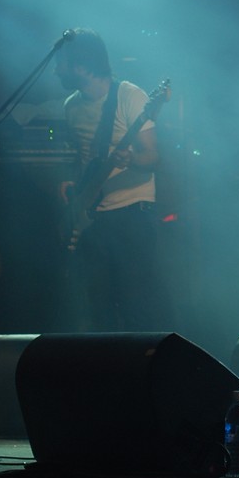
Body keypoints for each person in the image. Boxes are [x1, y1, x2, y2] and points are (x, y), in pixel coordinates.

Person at [55, 28, 166, 332]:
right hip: (92, 219)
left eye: (61, 63)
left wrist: (131, 159)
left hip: (131, 214)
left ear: (80, 65)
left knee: (135, 309)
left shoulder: (129, 95)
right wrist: (71, 184)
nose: (55, 70)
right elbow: (83, 160)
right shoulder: (71, 106)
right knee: (98, 312)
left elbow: (154, 157)